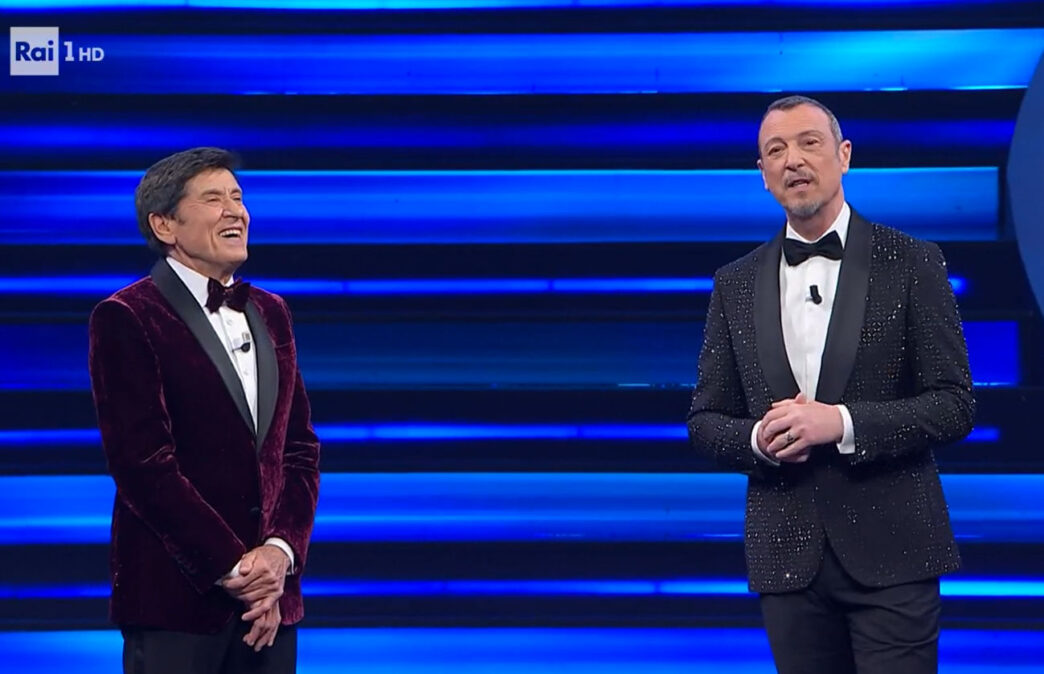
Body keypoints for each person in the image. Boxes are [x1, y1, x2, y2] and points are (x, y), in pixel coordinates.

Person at [687, 96, 974, 674]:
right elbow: (705, 420)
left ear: (844, 155)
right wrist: (758, 440)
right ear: (762, 174)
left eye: (809, 143)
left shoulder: (912, 262)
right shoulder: (734, 283)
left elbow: (954, 404)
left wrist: (840, 423)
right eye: (776, 150)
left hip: (895, 553)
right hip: (787, 561)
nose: (793, 159)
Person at [88, 147, 321, 673]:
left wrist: (279, 554)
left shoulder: (272, 312)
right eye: (214, 199)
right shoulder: (126, 316)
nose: (235, 211)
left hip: (270, 606)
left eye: (238, 197)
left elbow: (298, 449)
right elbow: (143, 465)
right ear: (164, 225)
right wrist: (237, 569)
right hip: (177, 603)